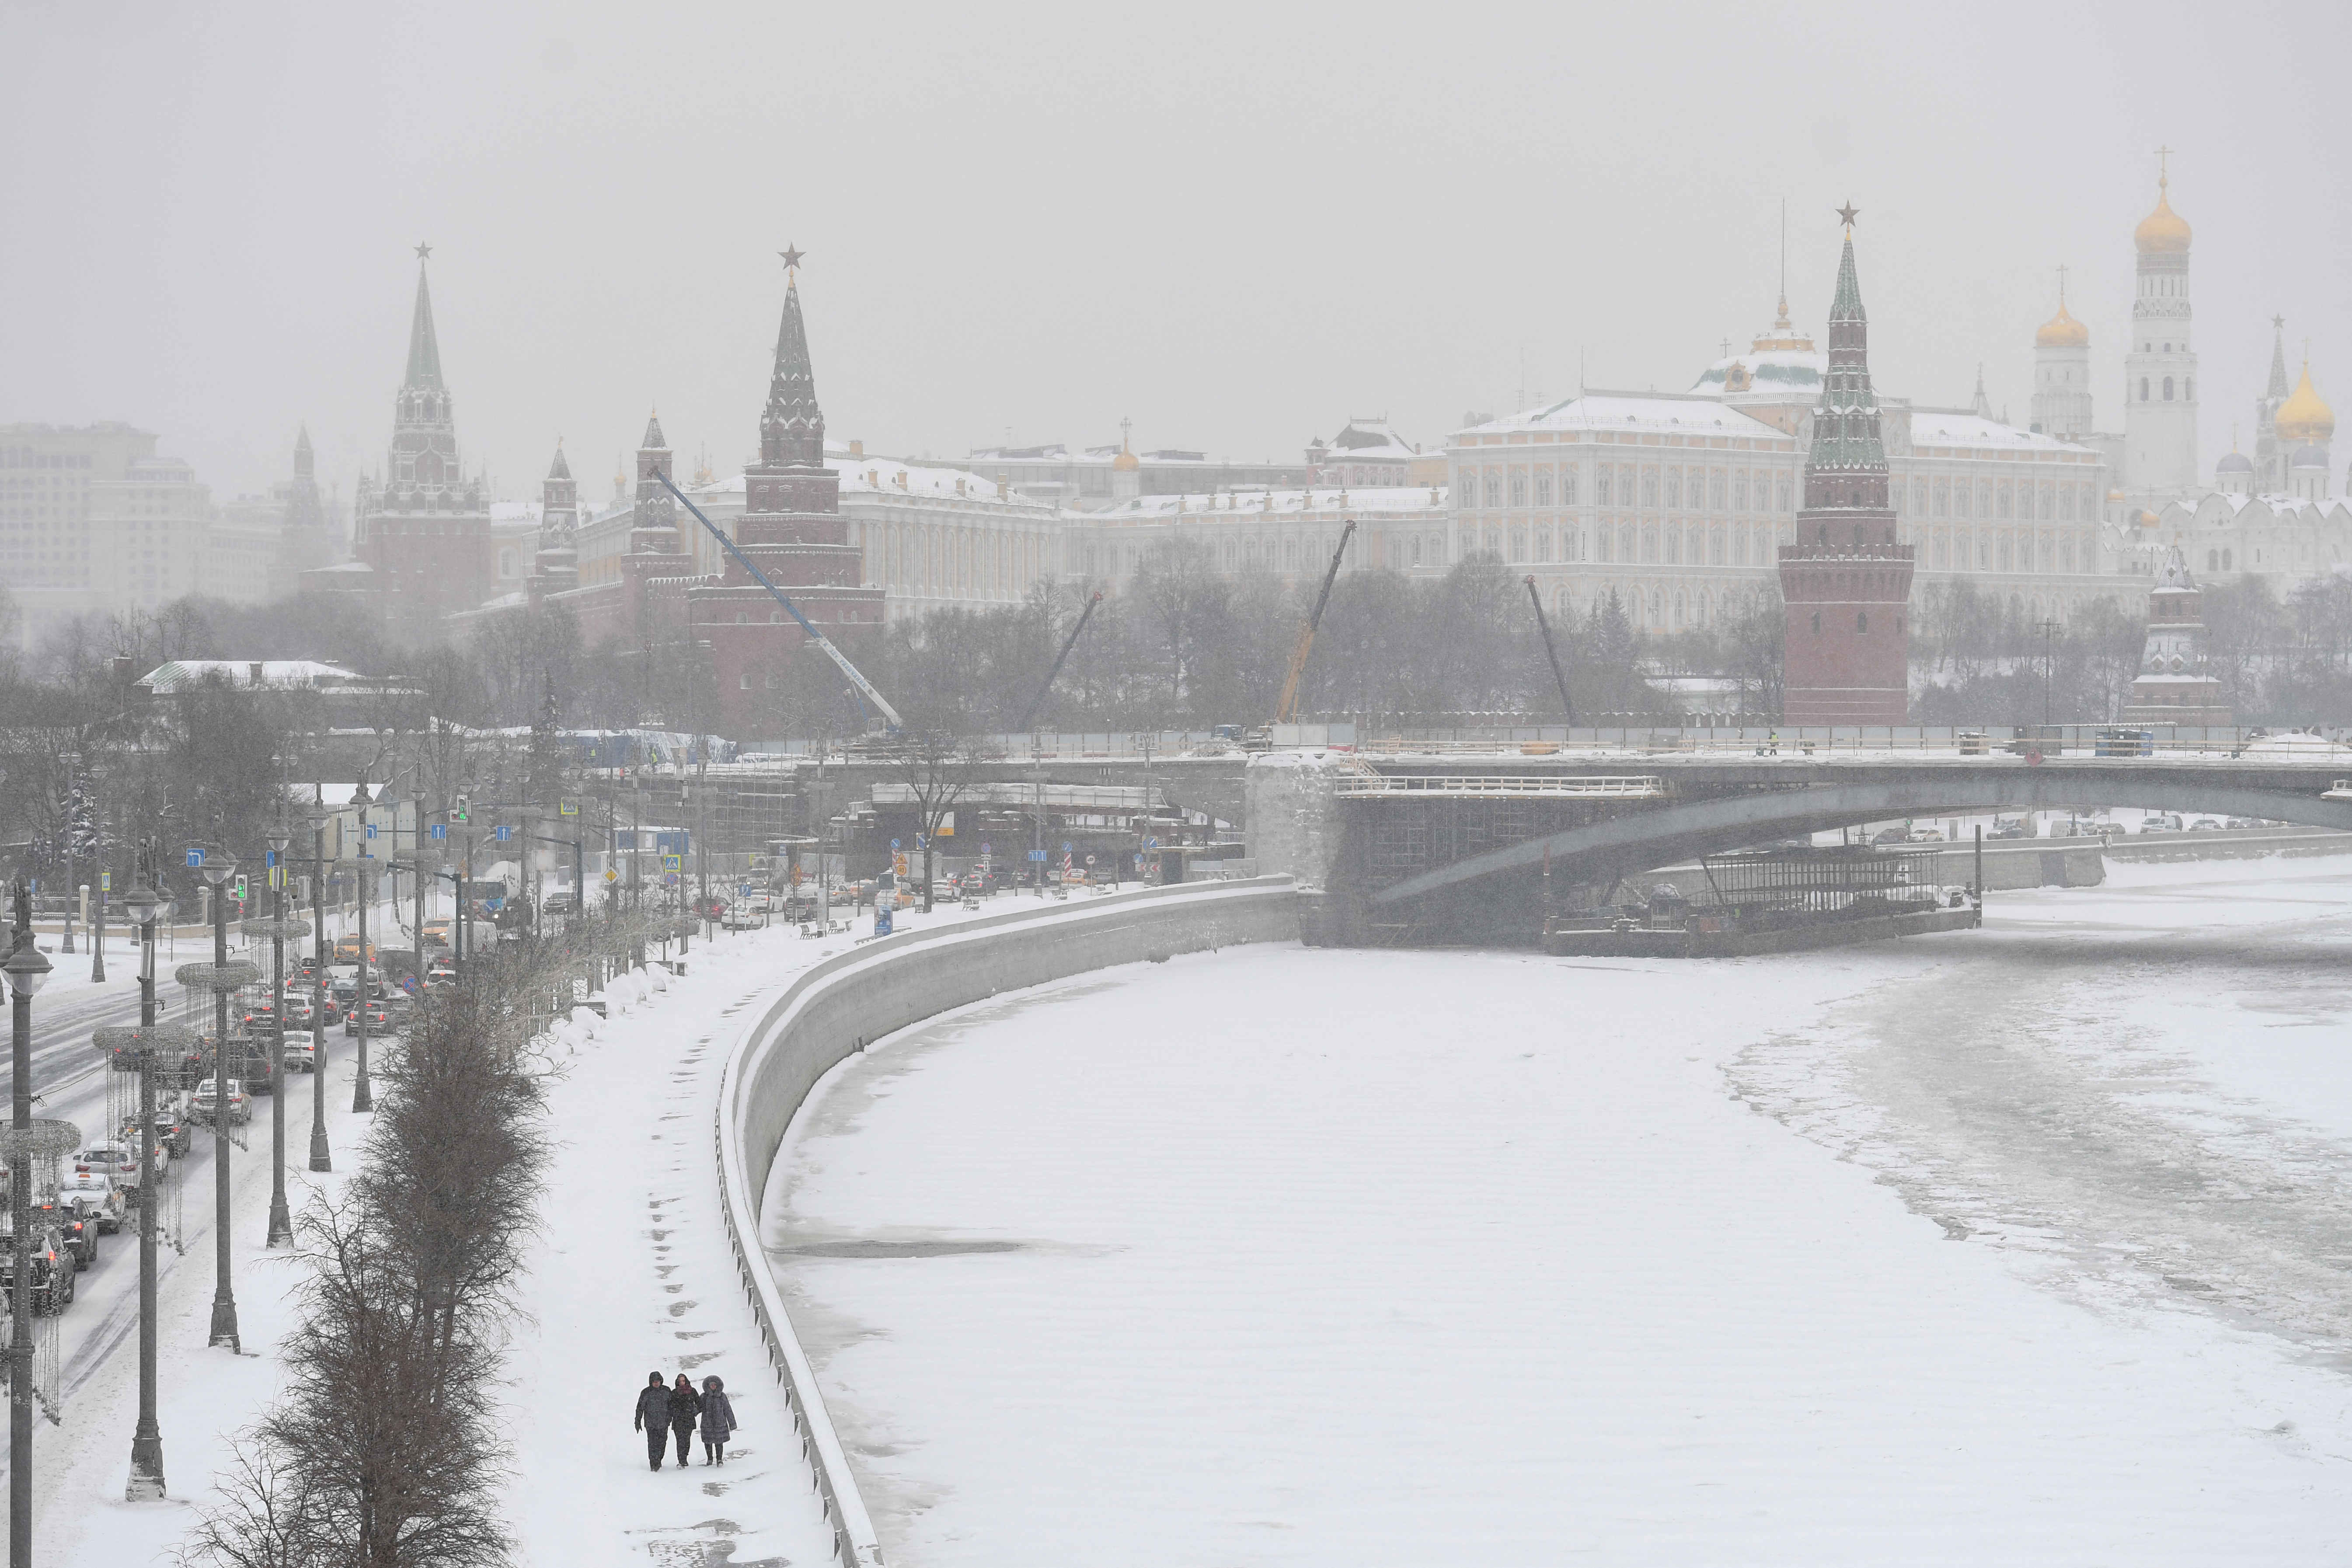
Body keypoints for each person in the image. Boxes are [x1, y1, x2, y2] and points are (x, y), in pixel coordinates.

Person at [632, 1372, 671, 1471]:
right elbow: (640, 1408)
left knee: (662, 1443)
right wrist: (638, 1421)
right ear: (651, 1382)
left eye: (658, 1382)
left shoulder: (666, 1391)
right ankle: (654, 1464)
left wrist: (670, 1418)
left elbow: (671, 1406)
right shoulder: (646, 1392)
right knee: (652, 1444)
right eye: (654, 1382)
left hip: (663, 1423)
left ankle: (659, 1459)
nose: (656, 1384)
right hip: (651, 1424)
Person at [666, 1372, 703, 1469]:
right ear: (677, 1382)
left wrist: (694, 1412)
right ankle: (681, 1461)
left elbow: (700, 1405)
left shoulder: (692, 1391)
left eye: (683, 1381)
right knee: (680, 1440)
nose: (682, 1383)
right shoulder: (674, 1393)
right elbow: (670, 1406)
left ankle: (685, 1457)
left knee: (687, 1440)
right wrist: (673, 1414)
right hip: (678, 1420)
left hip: (689, 1419)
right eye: (680, 1381)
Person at [699, 1375, 738, 1465]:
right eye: (711, 1385)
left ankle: (719, 1459)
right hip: (707, 1423)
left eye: (715, 1385)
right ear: (708, 1386)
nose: (713, 1387)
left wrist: (732, 1423)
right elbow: (698, 1408)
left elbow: (728, 1410)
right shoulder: (704, 1397)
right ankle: (710, 1459)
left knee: (719, 1443)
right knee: (708, 1442)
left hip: (720, 1424)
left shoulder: (722, 1397)